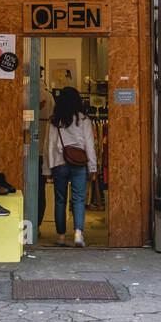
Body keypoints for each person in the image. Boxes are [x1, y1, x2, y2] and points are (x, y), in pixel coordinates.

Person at [45, 86, 97, 247]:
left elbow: (48, 145)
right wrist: (92, 167)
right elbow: (90, 144)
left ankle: (60, 236)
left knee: (60, 200)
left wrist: (46, 169)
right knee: (78, 199)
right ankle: (78, 235)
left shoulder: (54, 120)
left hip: (59, 163)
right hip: (79, 163)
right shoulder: (83, 120)